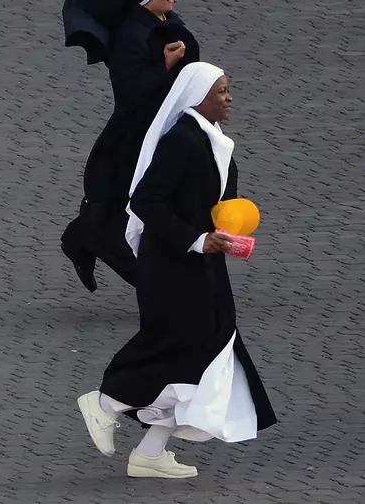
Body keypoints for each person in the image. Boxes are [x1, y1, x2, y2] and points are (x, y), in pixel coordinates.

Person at [77, 62, 276, 478]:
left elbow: (214, 202)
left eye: (229, 88)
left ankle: (149, 452)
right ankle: (104, 402)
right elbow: (147, 201)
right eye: (221, 90)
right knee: (177, 342)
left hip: (200, 262)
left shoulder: (214, 141)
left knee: (208, 344)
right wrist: (198, 239)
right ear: (198, 96)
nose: (229, 96)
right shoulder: (182, 141)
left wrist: (228, 231)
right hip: (171, 264)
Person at [60, 0, 200, 291]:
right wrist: (165, 66)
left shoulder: (169, 21)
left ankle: (87, 236)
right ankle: (157, 281)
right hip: (135, 135)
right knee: (133, 205)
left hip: (169, 128)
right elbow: (131, 90)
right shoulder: (130, 37)